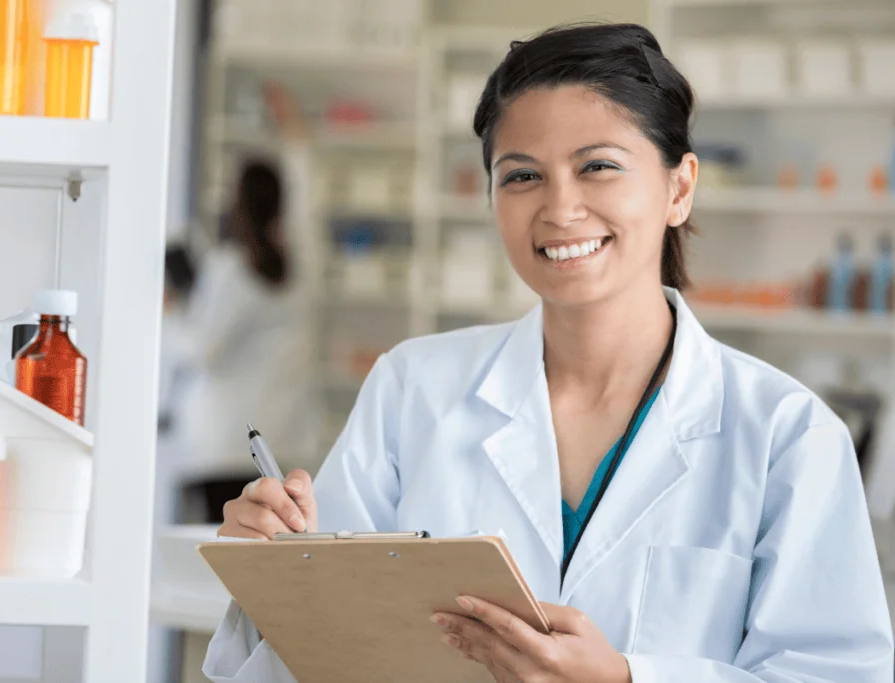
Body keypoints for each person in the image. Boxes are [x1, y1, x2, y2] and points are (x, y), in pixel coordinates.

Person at [204, 23, 894, 683]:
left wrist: (630, 676)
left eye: (598, 166)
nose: (560, 209)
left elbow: (837, 671)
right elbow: (324, 648)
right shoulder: (413, 388)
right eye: (522, 176)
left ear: (679, 188)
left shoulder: (787, 435)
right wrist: (275, 571)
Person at [174, 88, 318, 523]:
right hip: (284, 446)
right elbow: (308, 202)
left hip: (220, 447)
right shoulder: (302, 265)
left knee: (214, 573)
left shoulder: (229, 270)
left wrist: (172, 313)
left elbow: (202, 350)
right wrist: (295, 136)